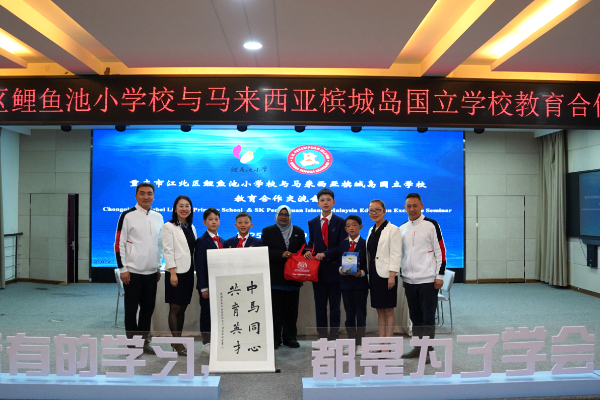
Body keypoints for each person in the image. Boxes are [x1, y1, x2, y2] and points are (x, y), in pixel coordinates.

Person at [114, 182, 164, 354]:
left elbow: (159, 244)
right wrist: (123, 269)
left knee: (147, 310)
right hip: (132, 272)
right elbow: (119, 243)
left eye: (149, 193)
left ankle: (143, 342)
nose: (146, 197)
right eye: (142, 193)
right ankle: (132, 344)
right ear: (136, 196)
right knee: (131, 309)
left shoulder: (158, 217)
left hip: (151, 272)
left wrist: (158, 266)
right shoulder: (127, 215)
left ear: (153, 197)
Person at [400, 193, 446, 362]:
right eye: (408, 206)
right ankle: (418, 347)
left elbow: (440, 251)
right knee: (415, 317)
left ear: (422, 206)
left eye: (415, 205)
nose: (412, 209)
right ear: (404, 208)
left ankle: (428, 350)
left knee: (428, 318)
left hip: (428, 280)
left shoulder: (431, 225)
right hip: (409, 281)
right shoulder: (402, 228)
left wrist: (439, 276)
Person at [261, 205, 306, 349]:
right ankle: (275, 339)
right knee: (275, 311)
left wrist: (307, 253)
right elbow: (264, 250)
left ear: (290, 216)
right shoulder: (268, 231)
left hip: (294, 277)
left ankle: (290, 338)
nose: (283, 217)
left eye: (286, 215)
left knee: (291, 311)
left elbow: (303, 249)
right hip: (276, 277)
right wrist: (281, 254)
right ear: (276, 215)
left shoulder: (298, 231)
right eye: (281, 214)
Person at [305, 188, 345, 340]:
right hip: (318, 270)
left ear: (333, 202)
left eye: (328, 200)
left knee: (335, 306)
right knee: (320, 305)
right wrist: (308, 250)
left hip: (335, 269)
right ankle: (321, 334)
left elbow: (341, 246)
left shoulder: (341, 222)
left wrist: (325, 254)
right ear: (318, 203)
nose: (325, 203)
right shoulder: (312, 222)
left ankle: (333, 334)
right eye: (322, 200)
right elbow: (312, 241)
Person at [161, 195, 196, 356]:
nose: (184, 208)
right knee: (175, 307)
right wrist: (172, 273)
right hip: (175, 272)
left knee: (182, 307)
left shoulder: (191, 227)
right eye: (181, 205)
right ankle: (177, 342)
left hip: (188, 272)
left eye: (187, 205)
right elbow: (168, 251)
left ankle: (177, 339)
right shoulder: (168, 226)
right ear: (175, 209)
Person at [365, 199, 402, 340]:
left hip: (387, 275)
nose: (374, 213)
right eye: (371, 211)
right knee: (379, 310)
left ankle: (388, 343)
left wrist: (392, 275)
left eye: (377, 210)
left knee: (388, 310)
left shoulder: (393, 229)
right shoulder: (371, 230)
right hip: (374, 274)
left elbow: (396, 254)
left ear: (384, 211)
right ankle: (382, 341)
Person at [194, 207, 225, 354]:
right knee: (207, 313)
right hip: (208, 285)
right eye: (210, 219)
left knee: (219, 313)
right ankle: (206, 342)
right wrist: (204, 287)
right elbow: (199, 266)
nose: (214, 222)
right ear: (204, 222)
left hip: (221, 285)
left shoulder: (223, 241)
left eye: (216, 219)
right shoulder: (201, 241)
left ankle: (218, 339)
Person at [336, 215, 368, 355]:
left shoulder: (365, 244)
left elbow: (369, 265)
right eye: (348, 226)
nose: (351, 228)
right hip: (346, 284)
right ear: (345, 229)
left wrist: (361, 273)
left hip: (360, 284)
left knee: (360, 315)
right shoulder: (342, 244)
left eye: (354, 225)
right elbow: (338, 262)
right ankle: (351, 342)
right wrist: (340, 270)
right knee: (349, 315)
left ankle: (360, 343)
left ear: (360, 227)